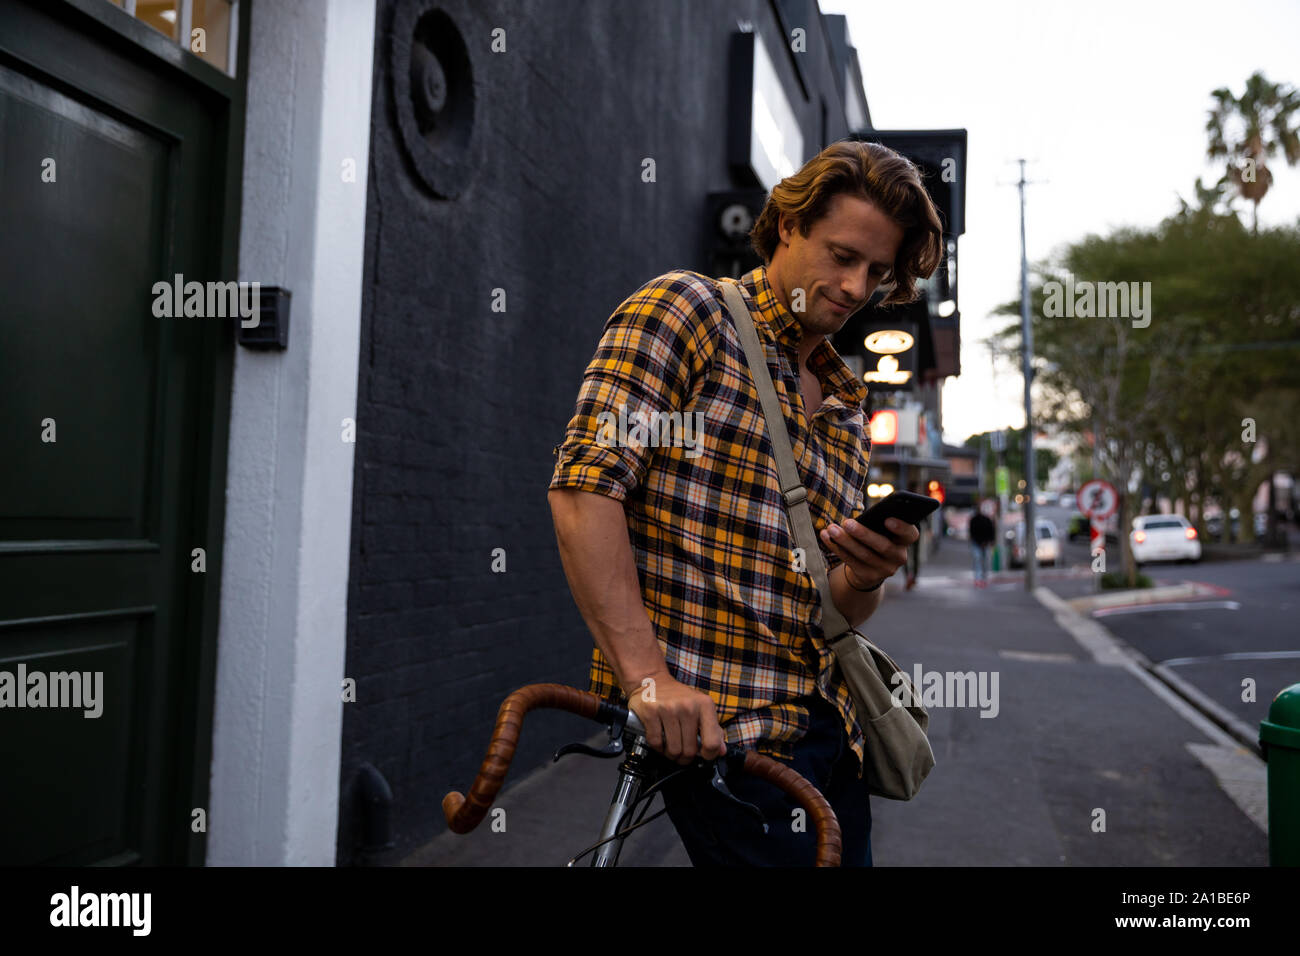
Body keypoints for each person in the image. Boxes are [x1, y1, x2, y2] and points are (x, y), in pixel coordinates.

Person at [547, 140, 943, 866]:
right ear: (788, 225)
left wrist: (865, 575)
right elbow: (584, 489)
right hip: (723, 740)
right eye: (843, 255)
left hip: (832, 742)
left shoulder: (849, 407)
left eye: (877, 273)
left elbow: (833, 611)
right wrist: (647, 680)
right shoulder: (689, 311)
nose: (857, 288)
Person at [968, 505, 996, 589]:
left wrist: (989, 541)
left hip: (984, 543)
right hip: (977, 543)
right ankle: (978, 578)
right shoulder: (974, 520)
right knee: (978, 560)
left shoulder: (987, 520)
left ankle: (983, 578)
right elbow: (972, 532)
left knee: (984, 561)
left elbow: (991, 531)